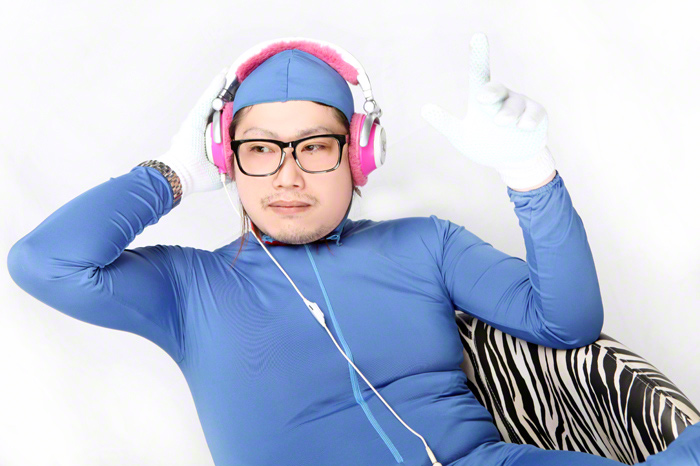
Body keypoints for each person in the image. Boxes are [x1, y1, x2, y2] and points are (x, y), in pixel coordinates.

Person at [7, 35, 700, 466]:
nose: (287, 175)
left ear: (359, 155)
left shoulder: (426, 242)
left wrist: (530, 173)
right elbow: (43, 263)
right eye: (260, 150)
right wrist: (172, 173)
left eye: (314, 147)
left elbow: (567, 323)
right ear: (228, 161)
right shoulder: (186, 287)